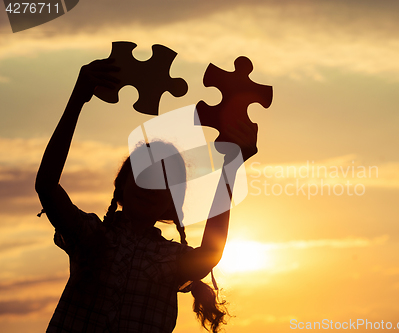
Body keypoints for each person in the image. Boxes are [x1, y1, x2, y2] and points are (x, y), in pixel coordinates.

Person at [35, 58, 258, 333]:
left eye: (164, 182)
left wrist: (232, 165)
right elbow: (46, 186)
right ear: (121, 187)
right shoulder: (91, 236)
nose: (152, 187)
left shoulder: (171, 258)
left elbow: (211, 253)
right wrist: (77, 99)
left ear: (171, 205)